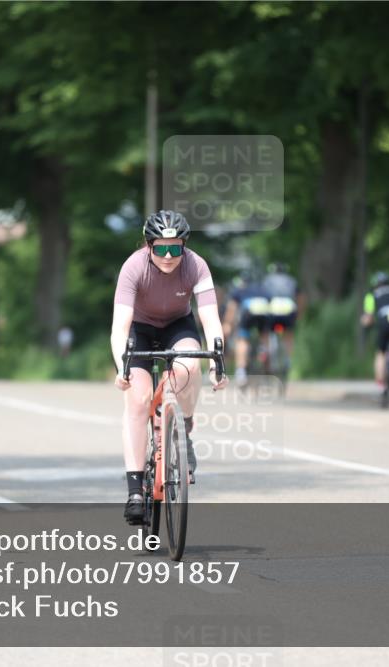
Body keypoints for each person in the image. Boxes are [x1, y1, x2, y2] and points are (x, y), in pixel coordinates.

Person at [111, 210, 227, 524]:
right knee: (138, 398)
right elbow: (120, 327)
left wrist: (218, 362)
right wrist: (121, 367)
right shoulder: (133, 267)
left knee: (190, 366)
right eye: (160, 248)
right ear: (149, 246)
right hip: (140, 328)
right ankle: (136, 491)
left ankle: (183, 429)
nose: (168, 255)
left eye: (175, 248)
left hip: (178, 325)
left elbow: (210, 319)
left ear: (184, 247)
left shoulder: (196, 265)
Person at [221, 271, 270, 387]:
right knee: (264, 336)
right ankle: (264, 353)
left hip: (248, 313)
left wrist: (227, 324)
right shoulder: (262, 289)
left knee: (242, 339)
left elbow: (232, 308)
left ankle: (241, 372)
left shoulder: (239, 290)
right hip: (263, 311)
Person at [262, 262, 302, 373]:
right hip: (289, 309)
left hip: (273, 309)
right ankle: (288, 360)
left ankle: (266, 352)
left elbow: (263, 295)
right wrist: (298, 313)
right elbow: (299, 296)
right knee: (288, 335)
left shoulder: (268, 280)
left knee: (266, 332)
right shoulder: (291, 280)